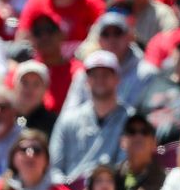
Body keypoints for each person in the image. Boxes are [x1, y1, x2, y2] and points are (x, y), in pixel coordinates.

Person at [50, 50, 130, 181]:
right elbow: (53, 169)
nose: (100, 80)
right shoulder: (68, 120)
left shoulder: (131, 120)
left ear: (117, 79)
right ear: (86, 80)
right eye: (94, 75)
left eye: (105, 74)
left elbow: (126, 167)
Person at [118, 114, 167, 190]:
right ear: (122, 142)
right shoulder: (111, 177)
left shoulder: (166, 181)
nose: (138, 136)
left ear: (154, 143)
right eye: (131, 131)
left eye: (144, 132)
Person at [11, 60, 57, 137]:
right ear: (15, 85)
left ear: (45, 89)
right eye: (24, 82)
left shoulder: (53, 123)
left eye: (36, 84)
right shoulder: (5, 117)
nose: (30, 88)